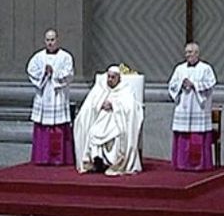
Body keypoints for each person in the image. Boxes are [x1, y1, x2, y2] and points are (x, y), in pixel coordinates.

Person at [73, 67, 142, 176]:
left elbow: (131, 107)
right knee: (93, 133)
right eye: (108, 77)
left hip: (117, 121)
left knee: (115, 135)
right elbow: (91, 104)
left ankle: (114, 164)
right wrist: (101, 103)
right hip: (101, 119)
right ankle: (97, 161)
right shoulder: (101, 88)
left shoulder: (125, 90)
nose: (110, 79)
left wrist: (114, 105)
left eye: (113, 77)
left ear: (119, 79)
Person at [26, 29, 75, 166]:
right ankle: (42, 157)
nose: (50, 43)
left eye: (52, 39)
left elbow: (69, 74)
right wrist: (43, 72)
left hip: (58, 95)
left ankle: (58, 158)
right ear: (44, 41)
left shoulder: (65, 57)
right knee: (43, 127)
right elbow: (31, 71)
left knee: (58, 127)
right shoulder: (38, 57)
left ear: (57, 40)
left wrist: (54, 73)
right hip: (44, 95)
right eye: (48, 40)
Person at [167, 42, 216, 172]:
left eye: (190, 52)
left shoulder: (206, 68)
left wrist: (194, 84)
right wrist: (181, 84)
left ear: (197, 53)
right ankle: (182, 164)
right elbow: (172, 85)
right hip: (183, 106)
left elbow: (211, 84)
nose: (187, 54)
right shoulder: (179, 68)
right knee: (183, 135)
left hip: (198, 107)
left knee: (197, 135)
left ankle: (199, 165)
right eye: (186, 52)